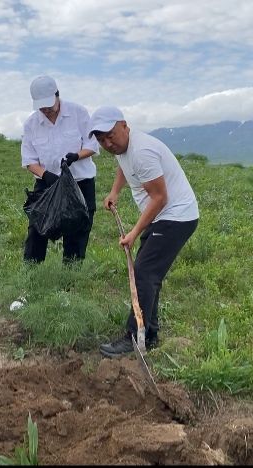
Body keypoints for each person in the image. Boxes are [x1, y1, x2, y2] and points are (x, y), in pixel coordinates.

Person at [89, 106, 199, 358]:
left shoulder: (142, 152)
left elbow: (160, 197)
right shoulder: (124, 147)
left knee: (144, 272)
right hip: (165, 216)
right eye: (101, 140)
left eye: (111, 135)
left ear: (124, 126)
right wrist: (115, 191)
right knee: (149, 274)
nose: (108, 143)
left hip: (176, 217)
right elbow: (123, 166)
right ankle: (149, 333)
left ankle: (133, 338)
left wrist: (134, 232)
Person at [21, 75, 99, 263]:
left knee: (77, 233)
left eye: (48, 105)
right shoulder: (31, 124)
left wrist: (76, 156)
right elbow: (29, 159)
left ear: (57, 95)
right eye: (41, 107)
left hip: (80, 183)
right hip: (47, 185)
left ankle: (69, 282)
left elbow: (93, 145)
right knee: (37, 230)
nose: (46, 110)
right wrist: (45, 175)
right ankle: (31, 275)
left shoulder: (78, 113)